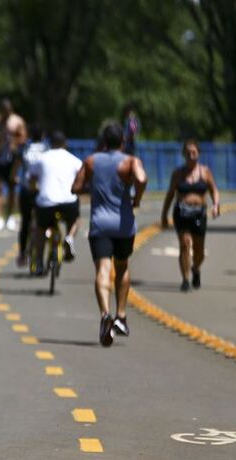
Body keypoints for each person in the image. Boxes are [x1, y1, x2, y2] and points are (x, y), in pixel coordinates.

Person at [71, 122, 148, 346]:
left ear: (104, 142)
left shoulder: (92, 161)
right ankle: (121, 316)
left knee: (103, 269)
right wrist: (137, 198)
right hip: (123, 225)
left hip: (100, 225)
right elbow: (141, 179)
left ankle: (105, 313)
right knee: (122, 266)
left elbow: (75, 188)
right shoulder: (130, 161)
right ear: (123, 141)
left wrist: (93, 187)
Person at [160, 139, 221, 291]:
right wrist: (164, 215)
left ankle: (196, 268)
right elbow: (170, 194)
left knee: (199, 250)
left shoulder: (205, 172)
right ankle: (185, 279)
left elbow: (214, 190)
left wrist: (215, 205)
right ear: (183, 155)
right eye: (188, 153)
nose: (191, 155)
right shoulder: (178, 173)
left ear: (198, 154)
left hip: (199, 213)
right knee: (185, 244)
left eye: (194, 152)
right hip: (182, 212)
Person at [29, 131, 83, 270]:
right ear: (65, 144)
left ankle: (39, 262)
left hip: (46, 202)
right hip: (68, 202)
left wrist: (35, 189)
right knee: (76, 219)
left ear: (49, 143)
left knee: (40, 228)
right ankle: (69, 237)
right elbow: (81, 180)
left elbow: (32, 180)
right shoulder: (74, 160)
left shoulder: (41, 158)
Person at [0, 99, 27, 231]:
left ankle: (10, 216)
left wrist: (14, 141)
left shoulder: (17, 121)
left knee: (12, 187)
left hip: (12, 158)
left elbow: (23, 138)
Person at [16, 125, 47, 269]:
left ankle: (22, 254)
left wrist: (15, 178)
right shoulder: (47, 150)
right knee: (44, 222)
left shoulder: (25, 149)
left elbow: (16, 167)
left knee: (25, 222)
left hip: (27, 189)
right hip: (43, 190)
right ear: (43, 135)